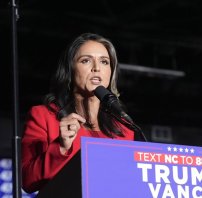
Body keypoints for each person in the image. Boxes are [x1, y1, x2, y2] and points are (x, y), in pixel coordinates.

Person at [21, 33, 135, 193]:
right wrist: (61, 147)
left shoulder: (124, 128)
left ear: (111, 72)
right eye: (86, 60)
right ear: (70, 69)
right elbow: (27, 181)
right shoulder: (43, 116)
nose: (96, 68)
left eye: (104, 62)